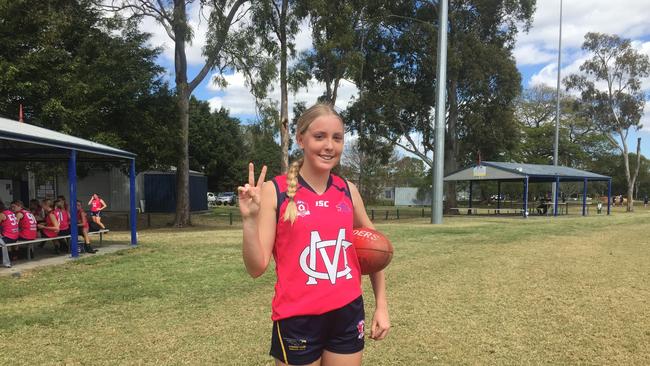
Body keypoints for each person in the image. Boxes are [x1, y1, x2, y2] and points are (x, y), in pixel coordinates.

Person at [238, 103, 390, 366]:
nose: (329, 146)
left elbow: (375, 248)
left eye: (337, 138)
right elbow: (256, 267)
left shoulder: (348, 191)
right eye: (319, 136)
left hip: (347, 313)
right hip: (298, 319)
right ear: (300, 139)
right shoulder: (276, 191)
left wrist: (382, 306)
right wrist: (250, 221)